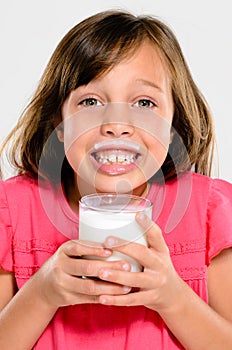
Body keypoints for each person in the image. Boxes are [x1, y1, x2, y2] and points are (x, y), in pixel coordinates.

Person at [0, 9, 232, 350]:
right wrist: (42, 292)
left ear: (172, 128)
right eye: (91, 101)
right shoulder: (13, 212)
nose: (117, 124)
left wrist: (172, 297)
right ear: (58, 126)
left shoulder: (209, 212)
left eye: (144, 102)